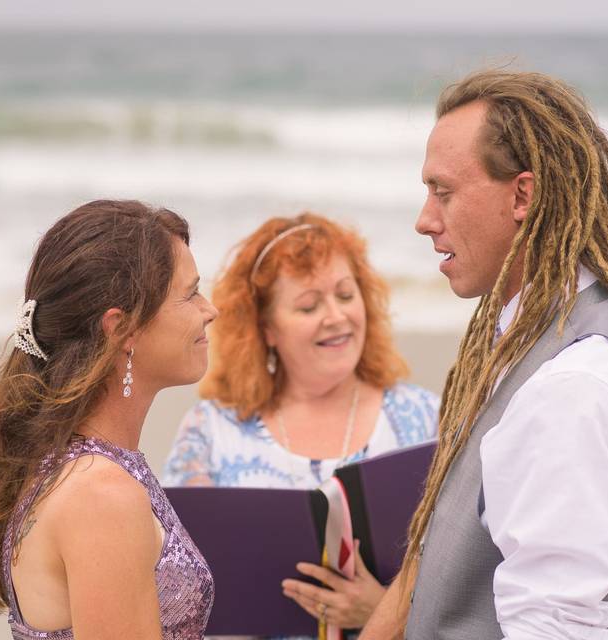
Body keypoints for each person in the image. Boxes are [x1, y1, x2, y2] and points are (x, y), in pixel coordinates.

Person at [360, 71, 608, 640]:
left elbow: (555, 627)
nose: (425, 220)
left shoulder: (575, 384)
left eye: (442, 191)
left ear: (523, 195)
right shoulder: (529, 341)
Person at [0, 200, 219, 640]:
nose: (210, 309)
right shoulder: (102, 494)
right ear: (121, 329)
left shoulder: (70, 464)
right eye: (190, 293)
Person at [163, 212, 439, 639]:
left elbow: (467, 570)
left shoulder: (425, 418)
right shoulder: (211, 431)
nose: (336, 316)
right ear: (267, 327)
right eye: (309, 305)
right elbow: (177, 583)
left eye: (346, 295)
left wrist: (383, 610)